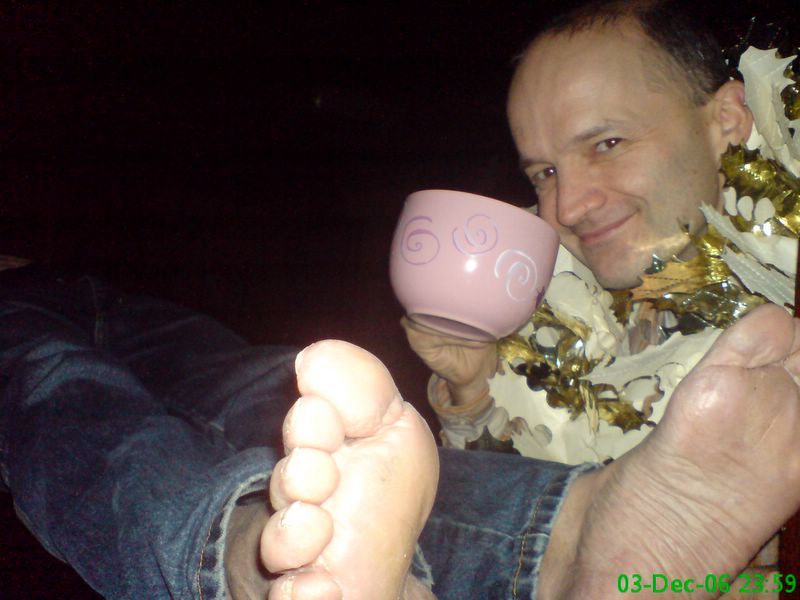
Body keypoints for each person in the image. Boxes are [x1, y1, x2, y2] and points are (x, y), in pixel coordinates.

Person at [3, 3, 800, 600]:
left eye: (607, 143)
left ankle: (254, 566)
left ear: (728, 116)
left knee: (64, 377)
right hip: (87, 290)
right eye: (544, 172)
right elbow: (522, 456)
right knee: (266, 388)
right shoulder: (560, 288)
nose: (567, 204)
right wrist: (472, 388)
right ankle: (273, 555)